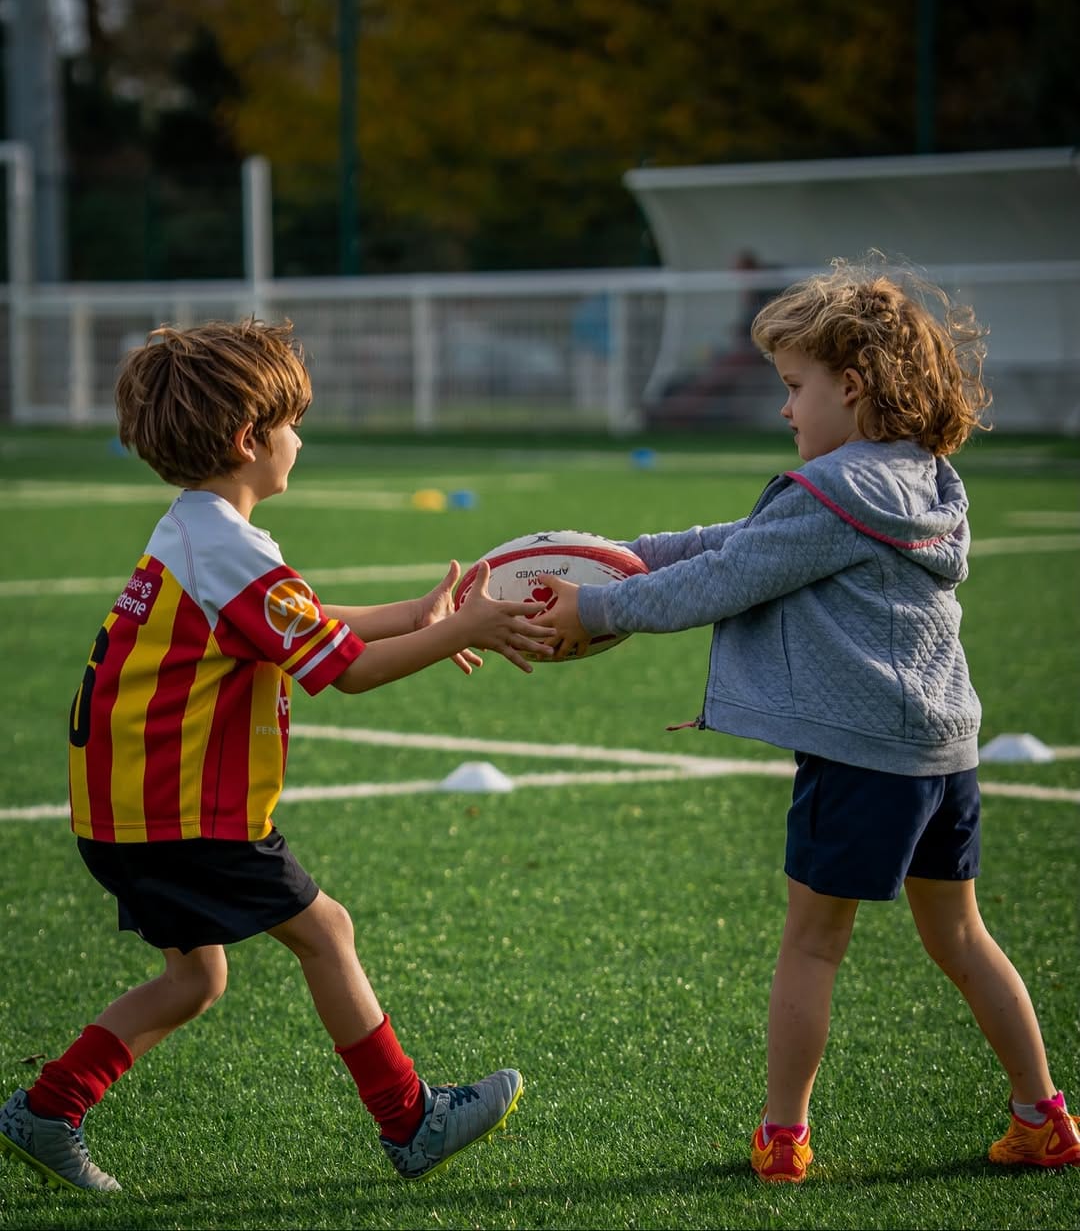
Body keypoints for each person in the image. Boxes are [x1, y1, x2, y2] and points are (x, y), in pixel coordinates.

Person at [533, 263, 1080, 1183]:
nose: (786, 410)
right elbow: (733, 540)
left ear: (852, 387)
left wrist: (594, 609)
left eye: (794, 387)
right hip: (943, 754)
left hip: (862, 755)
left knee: (812, 944)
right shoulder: (917, 480)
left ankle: (782, 1135)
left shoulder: (836, 495)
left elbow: (724, 578)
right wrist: (618, 556)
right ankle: (1044, 1113)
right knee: (960, 937)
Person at [0, 318, 553, 1194]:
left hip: (128, 816)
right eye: (292, 422)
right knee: (326, 931)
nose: (301, 438)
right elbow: (351, 672)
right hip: (181, 817)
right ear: (247, 439)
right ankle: (410, 1123)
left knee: (194, 979)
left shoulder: (199, 532)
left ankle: (47, 1108)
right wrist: (468, 626)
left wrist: (422, 615)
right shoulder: (226, 546)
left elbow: (297, 628)